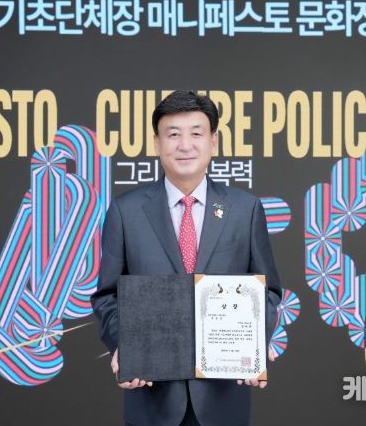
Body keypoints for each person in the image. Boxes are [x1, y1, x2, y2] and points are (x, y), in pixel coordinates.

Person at [92, 90, 282, 426]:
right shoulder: (126, 211)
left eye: (196, 133)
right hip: (152, 399)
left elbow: (267, 291)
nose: (185, 145)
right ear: (157, 143)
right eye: (173, 134)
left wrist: (256, 339)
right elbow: (107, 295)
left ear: (213, 142)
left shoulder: (245, 209)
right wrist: (126, 345)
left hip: (222, 399)